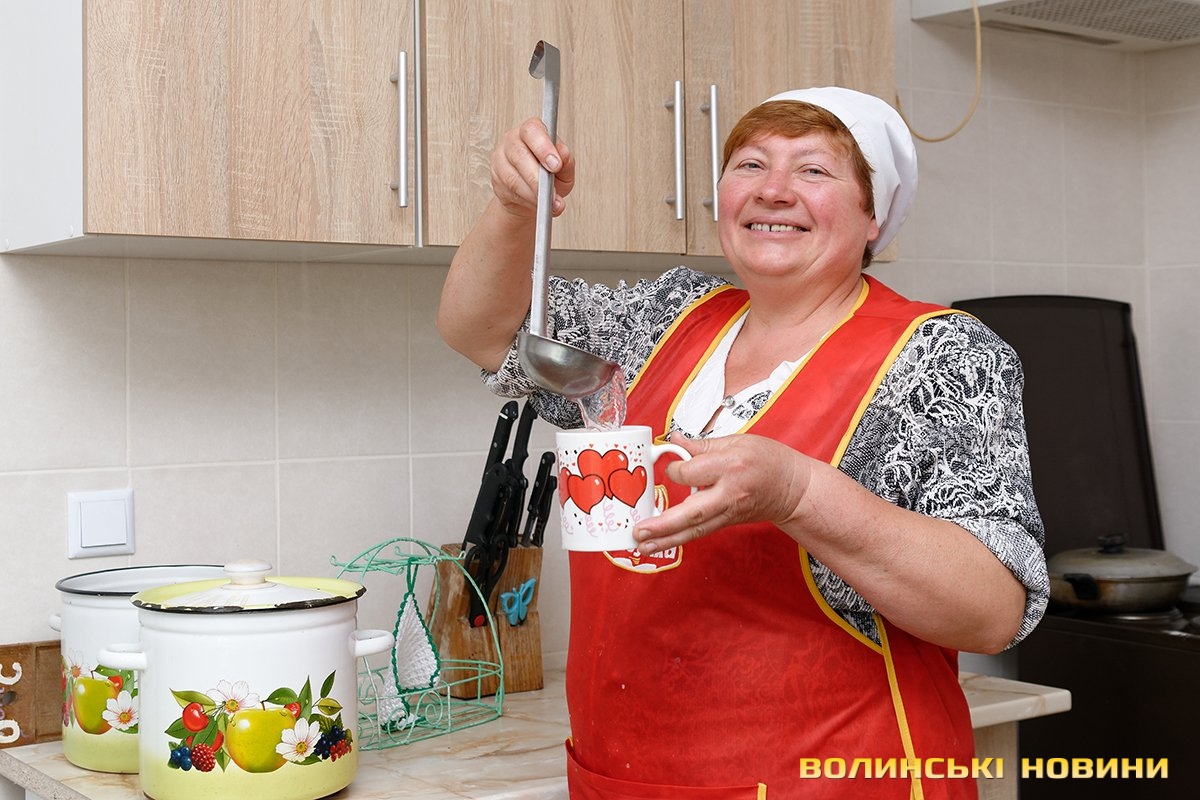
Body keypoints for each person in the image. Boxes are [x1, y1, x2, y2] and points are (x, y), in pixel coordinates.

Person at [438, 86, 1047, 799]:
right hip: (630, 780)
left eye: (813, 170)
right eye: (750, 164)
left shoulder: (939, 358)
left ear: (873, 215)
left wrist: (797, 493)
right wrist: (515, 208)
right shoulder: (663, 317)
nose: (773, 189)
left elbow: (992, 611)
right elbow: (483, 330)